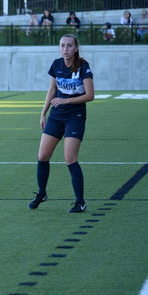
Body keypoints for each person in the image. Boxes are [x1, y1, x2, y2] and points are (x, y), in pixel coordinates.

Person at [28, 34, 94, 213]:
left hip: (75, 117)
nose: (66, 49)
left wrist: (66, 100)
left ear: (76, 48)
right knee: (42, 156)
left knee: (70, 159)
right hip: (56, 116)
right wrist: (43, 113)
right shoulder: (56, 64)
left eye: (69, 46)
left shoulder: (83, 66)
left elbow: (90, 95)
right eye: (63, 45)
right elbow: (52, 90)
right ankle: (42, 193)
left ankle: (80, 202)